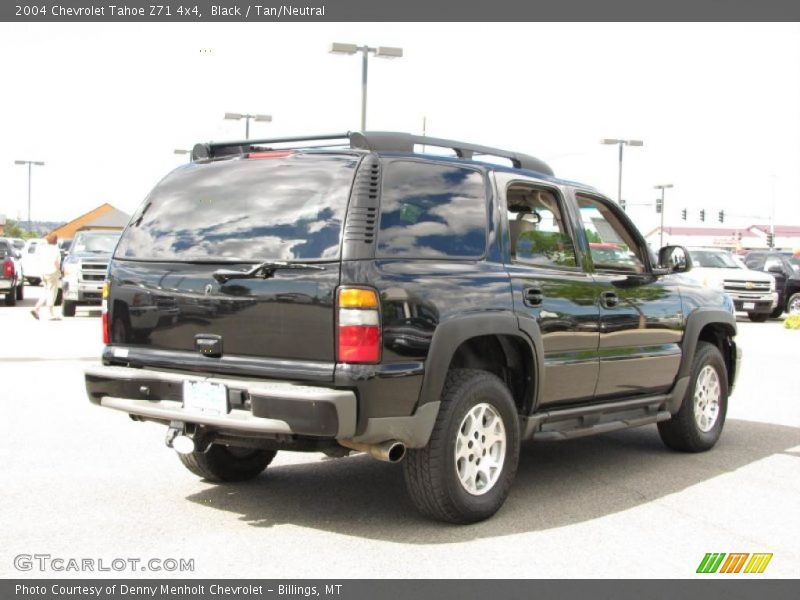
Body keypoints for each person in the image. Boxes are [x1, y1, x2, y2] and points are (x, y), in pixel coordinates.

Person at [31, 233, 62, 320]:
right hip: (52, 272)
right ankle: (50, 313)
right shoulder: (55, 249)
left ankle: (36, 308)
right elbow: (56, 263)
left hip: (43, 273)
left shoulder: (43, 248)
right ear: (55, 240)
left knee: (46, 291)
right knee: (52, 292)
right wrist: (60, 272)